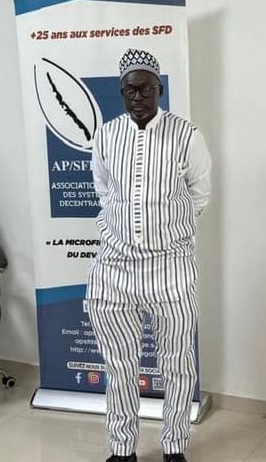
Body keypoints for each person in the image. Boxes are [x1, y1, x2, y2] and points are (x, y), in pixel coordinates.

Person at [86, 48, 212, 462]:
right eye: (130, 90)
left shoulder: (187, 135)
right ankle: (122, 449)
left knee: (177, 364)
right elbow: (104, 190)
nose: (138, 97)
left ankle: (174, 447)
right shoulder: (106, 136)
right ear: (121, 92)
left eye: (146, 88)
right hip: (115, 267)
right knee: (119, 365)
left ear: (160, 89)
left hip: (170, 266)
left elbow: (200, 194)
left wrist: (167, 231)